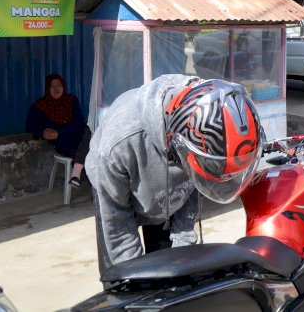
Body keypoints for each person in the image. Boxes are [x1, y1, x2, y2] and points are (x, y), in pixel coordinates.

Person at [85, 74, 263, 273]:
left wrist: (183, 257)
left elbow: (196, 186)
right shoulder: (117, 146)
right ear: (177, 143)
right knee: (122, 275)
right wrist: (135, 280)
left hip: (170, 192)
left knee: (172, 270)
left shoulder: (206, 126)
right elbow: (119, 234)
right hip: (120, 184)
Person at [25, 74, 90, 188]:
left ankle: (76, 174)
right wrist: (43, 131)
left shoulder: (71, 100)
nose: (56, 89)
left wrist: (59, 132)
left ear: (63, 87)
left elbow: (78, 122)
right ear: (47, 88)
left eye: (59, 85)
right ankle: (89, 181)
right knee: (86, 151)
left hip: (77, 135)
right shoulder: (40, 106)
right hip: (62, 142)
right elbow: (30, 126)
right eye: (52, 86)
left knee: (87, 131)